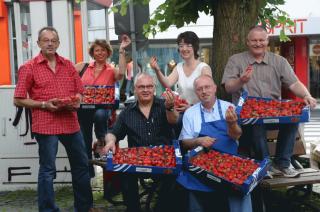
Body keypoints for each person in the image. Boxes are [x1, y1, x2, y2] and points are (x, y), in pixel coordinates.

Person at [13, 26, 93, 211]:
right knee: (48, 170)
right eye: (45, 40)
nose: (49, 43)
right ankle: (48, 209)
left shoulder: (68, 65)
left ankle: (84, 207)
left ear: (58, 43)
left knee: (81, 165)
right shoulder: (28, 67)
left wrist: (77, 101)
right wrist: (43, 104)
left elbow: (80, 91)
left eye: (53, 40)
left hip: (70, 123)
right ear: (39, 43)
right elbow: (18, 99)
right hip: (45, 124)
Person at [222, 26, 317, 178]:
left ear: (267, 41)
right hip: (247, 116)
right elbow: (228, 88)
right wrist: (241, 80)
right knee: (257, 122)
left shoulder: (279, 61)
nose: (258, 43)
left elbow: (294, 83)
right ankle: (265, 164)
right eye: (254, 40)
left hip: (274, 112)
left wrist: (307, 95)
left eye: (261, 40)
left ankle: (283, 163)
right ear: (247, 42)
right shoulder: (236, 60)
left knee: (294, 118)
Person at [102, 72, 180, 212]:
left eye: (149, 86)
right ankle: (133, 208)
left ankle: (160, 208)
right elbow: (113, 132)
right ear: (135, 89)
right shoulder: (127, 112)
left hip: (163, 159)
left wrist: (170, 107)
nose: (145, 90)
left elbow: (174, 120)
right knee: (125, 174)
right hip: (137, 161)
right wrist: (110, 142)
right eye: (141, 87)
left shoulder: (164, 105)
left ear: (154, 88)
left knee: (174, 178)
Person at [177, 74, 252, 212]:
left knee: (240, 186)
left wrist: (232, 124)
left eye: (207, 87)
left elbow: (236, 135)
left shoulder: (228, 107)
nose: (204, 91)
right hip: (202, 165)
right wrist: (198, 141)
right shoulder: (190, 113)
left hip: (230, 163)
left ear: (215, 88)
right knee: (191, 184)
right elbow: (184, 143)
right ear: (196, 92)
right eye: (200, 89)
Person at [75, 36, 131, 177]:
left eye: (103, 50)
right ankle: (88, 173)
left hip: (102, 108)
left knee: (100, 115)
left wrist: (122, 50)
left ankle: (101, 140)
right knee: (84, 139)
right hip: (83, 109)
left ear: (107, 53)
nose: (100, 53)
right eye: (97, 50)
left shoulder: (111, 70)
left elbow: (121, 73)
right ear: (92, 53)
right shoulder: (82, 66)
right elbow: (68, 78)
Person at [150, 31, 212, 110]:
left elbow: (209, 94)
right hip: (182, 111)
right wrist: (157, 70)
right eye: (181, 46)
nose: (184, 49)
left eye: (188, 45)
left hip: (200, 112)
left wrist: (191, 108)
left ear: (195, 47)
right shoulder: (179, 67)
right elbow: (167, 83)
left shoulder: (204, 68)